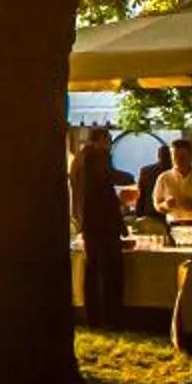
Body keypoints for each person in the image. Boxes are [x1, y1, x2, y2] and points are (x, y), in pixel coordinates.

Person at [71, 128, 127, 327]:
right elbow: (108, 179)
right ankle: (109, 316)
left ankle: (93, 316)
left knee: (93, 269)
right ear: (101, 140)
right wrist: (129, 179)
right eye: (109, 140)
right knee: (109, 270)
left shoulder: (78, 160)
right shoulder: (96, 156)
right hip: (102, 222)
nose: (110, 145)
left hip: (88, 221)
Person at [153, 139, 192, 231]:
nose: (178, 160)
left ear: (191, 156)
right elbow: (157, 204)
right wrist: (166, 205)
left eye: (182, 156)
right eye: (175, 156)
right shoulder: (164, 178)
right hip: (173, 226)